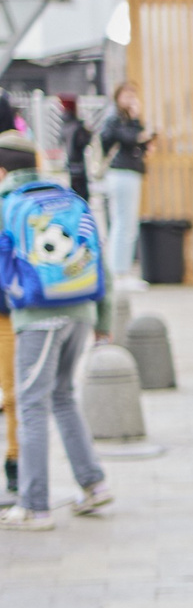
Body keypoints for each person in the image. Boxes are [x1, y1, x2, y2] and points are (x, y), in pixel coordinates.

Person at [0, 133, 110, 531]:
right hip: (81, 310)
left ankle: (35, 506)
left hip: (38, 317)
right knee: (62, 397)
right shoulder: (68, 199)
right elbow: (101, 260)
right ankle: (93, 484)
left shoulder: (7, 205)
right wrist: (104, 321)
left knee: (31, 406)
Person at [98, 82, 151, 285]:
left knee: (126, 223)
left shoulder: (127, 120)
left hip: (129, 172)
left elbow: (139, 142)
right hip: (120, 173)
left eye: (133, 96)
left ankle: (121, 271)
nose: (130, 100)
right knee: (123, 223)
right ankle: (118, 273)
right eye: (126, 96)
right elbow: (128, 138)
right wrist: (136, 122)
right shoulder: (115, 119)